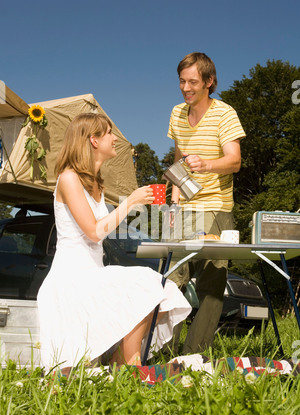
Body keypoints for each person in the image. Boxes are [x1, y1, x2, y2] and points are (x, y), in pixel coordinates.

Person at [37, 113, 191, 372]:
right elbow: (94, 232)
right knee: (145, 282)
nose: (115, 138)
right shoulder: (69, 178)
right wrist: (130, 201)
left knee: (160, 288)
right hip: (70, 279)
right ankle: (129, 366)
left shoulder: (95, 183)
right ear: (93, 140)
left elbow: (102, 230)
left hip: (92, 274)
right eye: (109, 132)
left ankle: (124, 363)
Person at [167, 52, 246, 353]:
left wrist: (207, 165)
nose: (186, 88)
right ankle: (166, 350)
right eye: (182, 82)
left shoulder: (225, 114)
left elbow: (234, 161)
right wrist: (173, 204)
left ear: (209, 82)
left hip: (216, 209)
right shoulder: (176, 113)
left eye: (192, 82)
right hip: (184, 209)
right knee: (171, 281)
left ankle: (193, 354)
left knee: (210, 287)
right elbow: (177, 160)